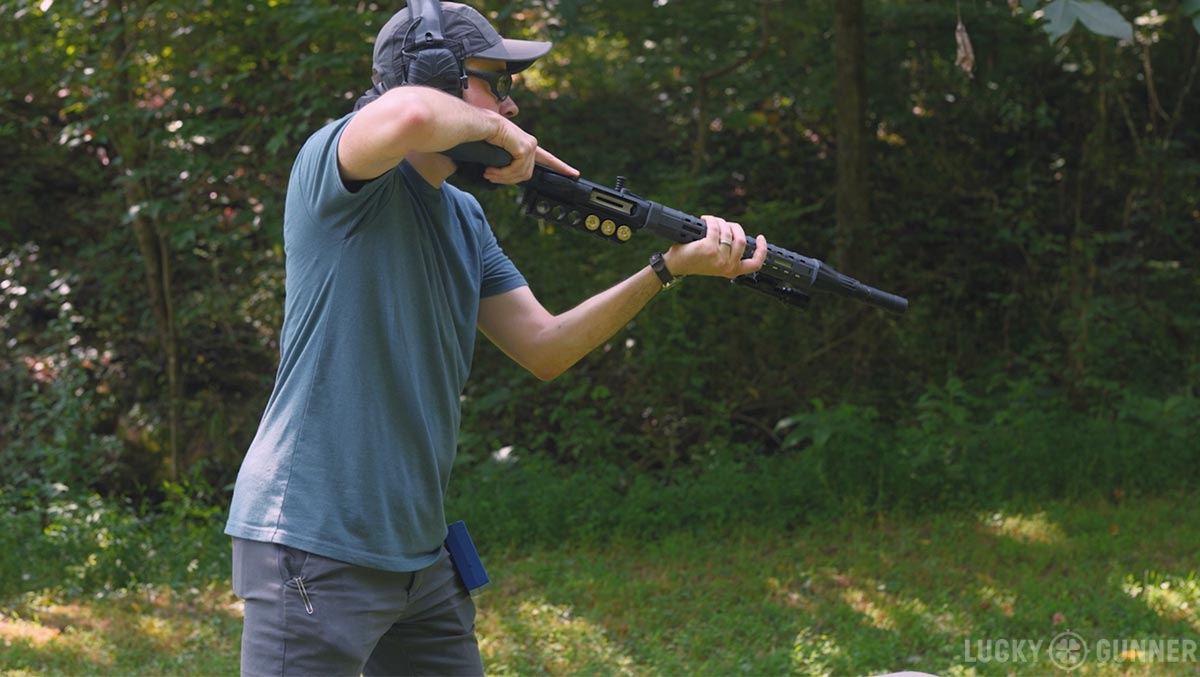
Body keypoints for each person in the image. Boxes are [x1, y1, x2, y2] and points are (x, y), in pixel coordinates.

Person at [224, 2, 768, 674]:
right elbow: (409, 116)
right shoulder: (336, 171)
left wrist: (666, 270)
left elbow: (545, 346)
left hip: (419, 555)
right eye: (496, 84)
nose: (510, 107)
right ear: (432, 75)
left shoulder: (463, 216)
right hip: (314, 542)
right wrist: (500, 132)